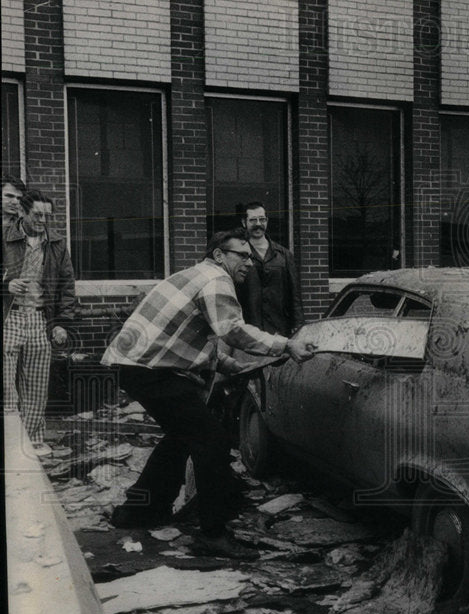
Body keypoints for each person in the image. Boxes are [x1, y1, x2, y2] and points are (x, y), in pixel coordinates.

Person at [102, 228, 316, 560]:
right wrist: (286, 344)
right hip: (148, 368)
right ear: (219, 255)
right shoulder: (217, 279)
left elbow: (193, 335)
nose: (249, 263)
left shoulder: (196, 275)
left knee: (181, 435)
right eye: (241, 256)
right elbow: (230, 329)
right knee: (211, 440)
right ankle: (214, 534)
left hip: (135, 364)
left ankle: (139, 511)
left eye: (250, 256)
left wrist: (229, 365)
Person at [2, 190, 77, 456]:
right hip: (9, 317)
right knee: (5, 385)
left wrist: (62, 323)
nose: (43, 220)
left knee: (36, 382)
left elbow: (67, 286)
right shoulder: (5, 237)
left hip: (39, 318)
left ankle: (33, 440)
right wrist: (5, 284)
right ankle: (10, 443)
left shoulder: (56, 243)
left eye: (47, 215)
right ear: (22, 212)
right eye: (37, 215)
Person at [236, 202, 304, 337]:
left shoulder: (283, 254)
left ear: (266, 221)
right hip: (249, 328)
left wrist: (298, 325)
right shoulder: (237, 254)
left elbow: (294, 294)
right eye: (253, 220)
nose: (258, 224)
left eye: (262, 219)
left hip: (279, 327)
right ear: (244, 223)